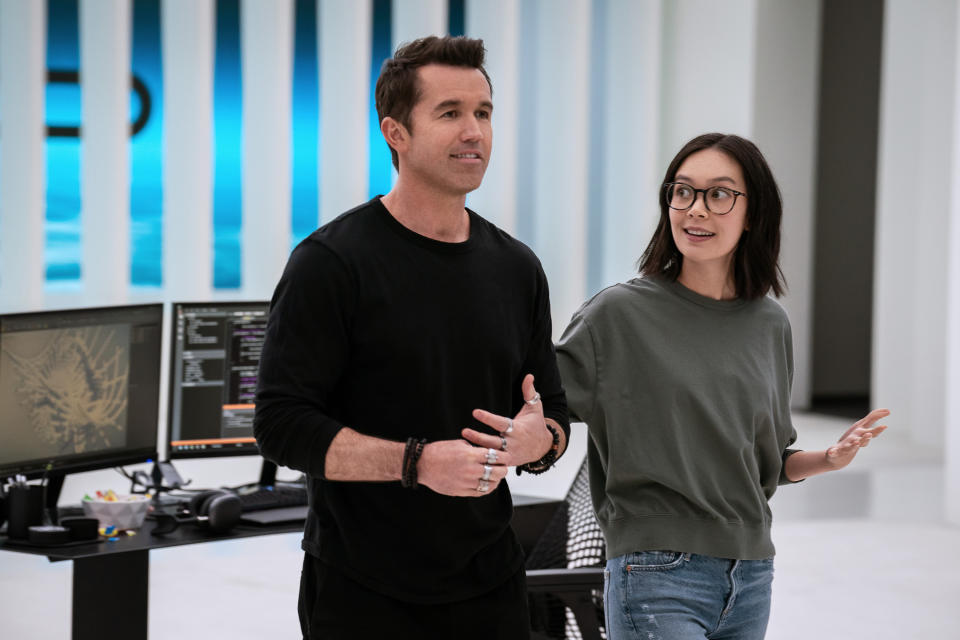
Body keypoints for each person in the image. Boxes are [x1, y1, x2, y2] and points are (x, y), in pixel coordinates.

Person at [253, 35, 569, 640]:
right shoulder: (331, 263)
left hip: (492, 585)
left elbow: (551, 415)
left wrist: (538, 442)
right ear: (396, 133)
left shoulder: (517, 268)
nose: (474, 130)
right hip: (363, 592)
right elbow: (281, 424)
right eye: (450, 113)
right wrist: (417, 463)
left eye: (483, 112)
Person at [555, 133, 889, 640]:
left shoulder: (770, 324)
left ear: (753, 212)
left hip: (751, 574)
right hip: (654, 571)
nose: (696, 210)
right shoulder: (618, 314)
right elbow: (541, 403)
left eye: (719, 194)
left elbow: (769, 464)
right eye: (683, 191)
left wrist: (828, 458)